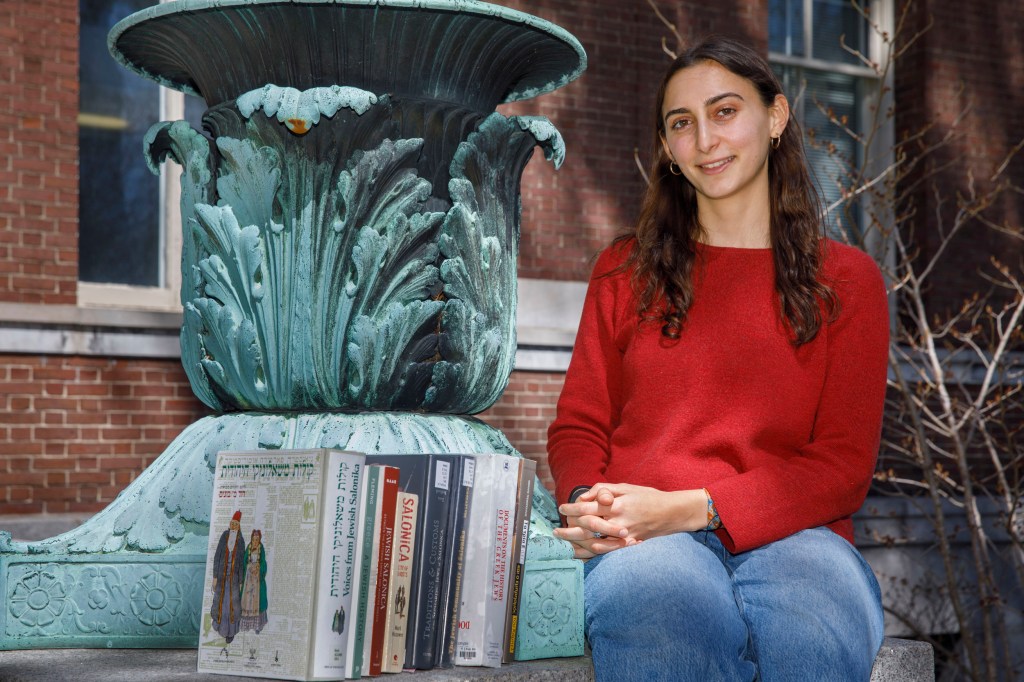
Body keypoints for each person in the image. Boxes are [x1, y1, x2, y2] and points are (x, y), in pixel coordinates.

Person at [548, 36, 888, 681]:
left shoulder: (847, 281)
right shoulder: (625, 269)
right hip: (643, 539)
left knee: (809, 640)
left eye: (725, 111)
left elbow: (842, 466)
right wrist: (589, 502)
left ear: (776, 117)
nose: (705, 140)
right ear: (669, 149)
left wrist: (693, 507)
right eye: (682, 123)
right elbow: (580, 424)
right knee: (658, 617)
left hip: (801, 539)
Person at [211, 510, 246, 644]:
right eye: (232, 523)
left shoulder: (241, 540)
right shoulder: (224, 536)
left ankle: (230, 632)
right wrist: (215, 577)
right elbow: (217, 556)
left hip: (234, 580)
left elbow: (242, 563)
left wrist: (241, 581)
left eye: (236, 524)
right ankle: (220, 627)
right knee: (220, 602)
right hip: (221, 577)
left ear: (239, 526)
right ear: (229, 524)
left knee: (232, 604)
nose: (233, 526)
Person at [239, 529, 268, 634]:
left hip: (257, 578)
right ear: (251, 539)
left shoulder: (261, 548)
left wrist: (259, 569)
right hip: (248, 577)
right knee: (247, 599)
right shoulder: (249, 548)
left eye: (257, 539)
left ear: (259, 539)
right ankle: (247, 625)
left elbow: (263, 562)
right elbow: (244, 561)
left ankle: (257, 625)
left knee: (257, 599)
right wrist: (249, 567)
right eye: (254, 539)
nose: (255, 541)